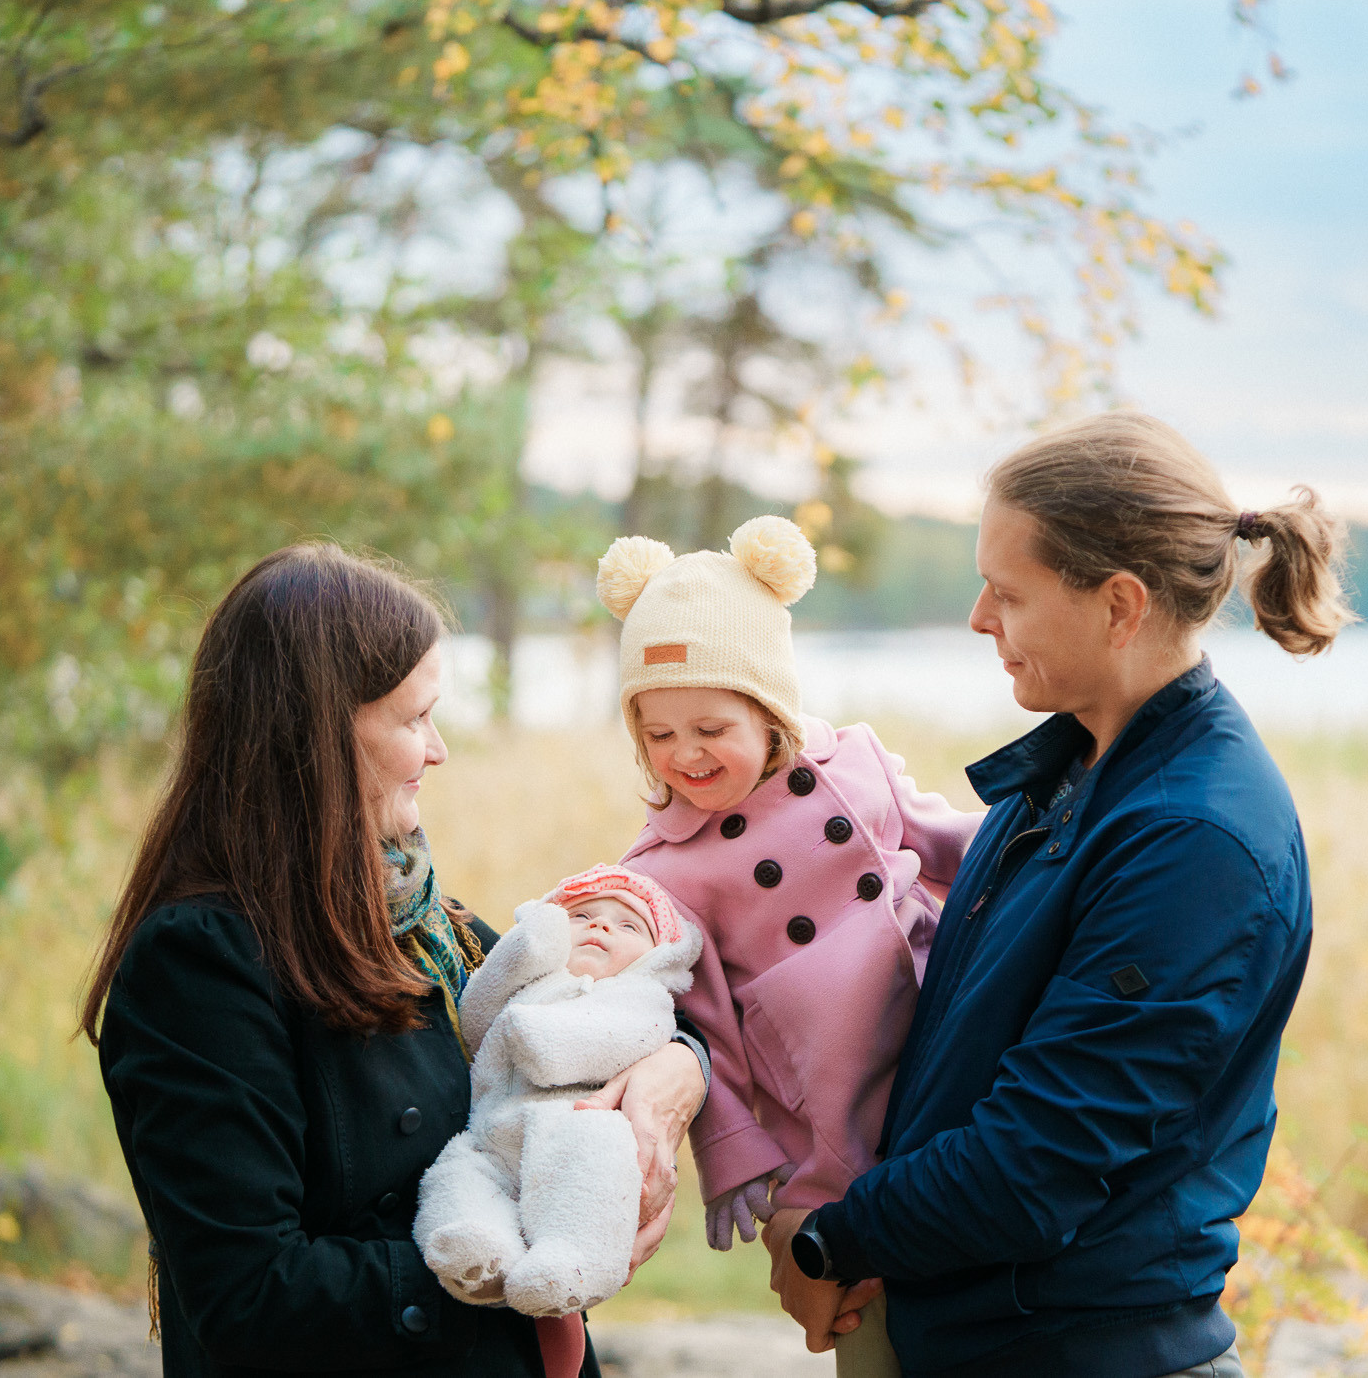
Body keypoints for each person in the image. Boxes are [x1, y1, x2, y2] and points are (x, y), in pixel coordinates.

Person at [763, 412, 1354, 1378]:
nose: (978, 618)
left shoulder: (1192, 838)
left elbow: (1039, 1160)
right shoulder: (1076, 768)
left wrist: (832, 1240)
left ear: (1119, 605)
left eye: (1009, 592)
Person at [81, 543, 709, 1377]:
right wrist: (514, 1256)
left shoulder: (424, 920)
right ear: (316, 734)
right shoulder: (198, 964)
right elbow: (248, 1296)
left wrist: (678, 1071)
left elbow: (602, 1001)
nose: (439, 748)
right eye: (414, 718)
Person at [595, 516, 983, 1376]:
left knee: (961, 1229)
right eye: (658, 735)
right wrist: (733, 1154)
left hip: (932, 1015)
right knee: (862, 1284)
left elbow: (951, 839)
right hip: (823, 1083)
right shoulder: (669, 870)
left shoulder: (853, 763)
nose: (685, 754)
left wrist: (1036, 841)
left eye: (710, 726)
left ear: (770, 710)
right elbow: (701, 1031)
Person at [414, 865, 702, 1341]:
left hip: (576, 1127)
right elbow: (475, 1016)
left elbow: (613, 1041)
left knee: (597, 1153)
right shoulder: (530, 986)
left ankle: (572, 1262)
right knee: (456, 1172)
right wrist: (525, 950)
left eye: (629, 925)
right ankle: (479, 1252)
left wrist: (535, 1038)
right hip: (495, 1134)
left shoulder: (641, 997)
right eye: (581, 914)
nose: (601, 926)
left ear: (657, 956)